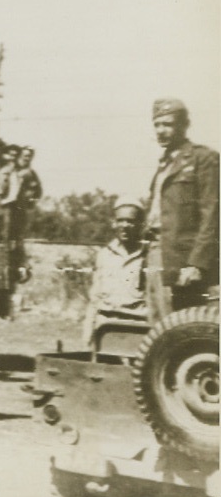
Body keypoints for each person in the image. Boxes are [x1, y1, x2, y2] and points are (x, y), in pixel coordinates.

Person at [144, 97, 219, 322]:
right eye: (157, 125)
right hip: (156, 254)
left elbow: (213, 214)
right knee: (157, 328)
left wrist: (196, 263)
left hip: (183, 261)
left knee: (182, 328)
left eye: (167, 124)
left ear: (184, 125)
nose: (161, 131)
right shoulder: (164, 164)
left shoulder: (203, 159)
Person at [83, 199, 147, 347]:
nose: (124, 226)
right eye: (120, 221)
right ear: (113, 223)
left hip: (137, 328)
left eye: (130, 221)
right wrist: (88, 332)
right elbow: (95, 298)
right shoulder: (104, 255)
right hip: (105, 327)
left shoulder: (149, 256)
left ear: (141, 225)